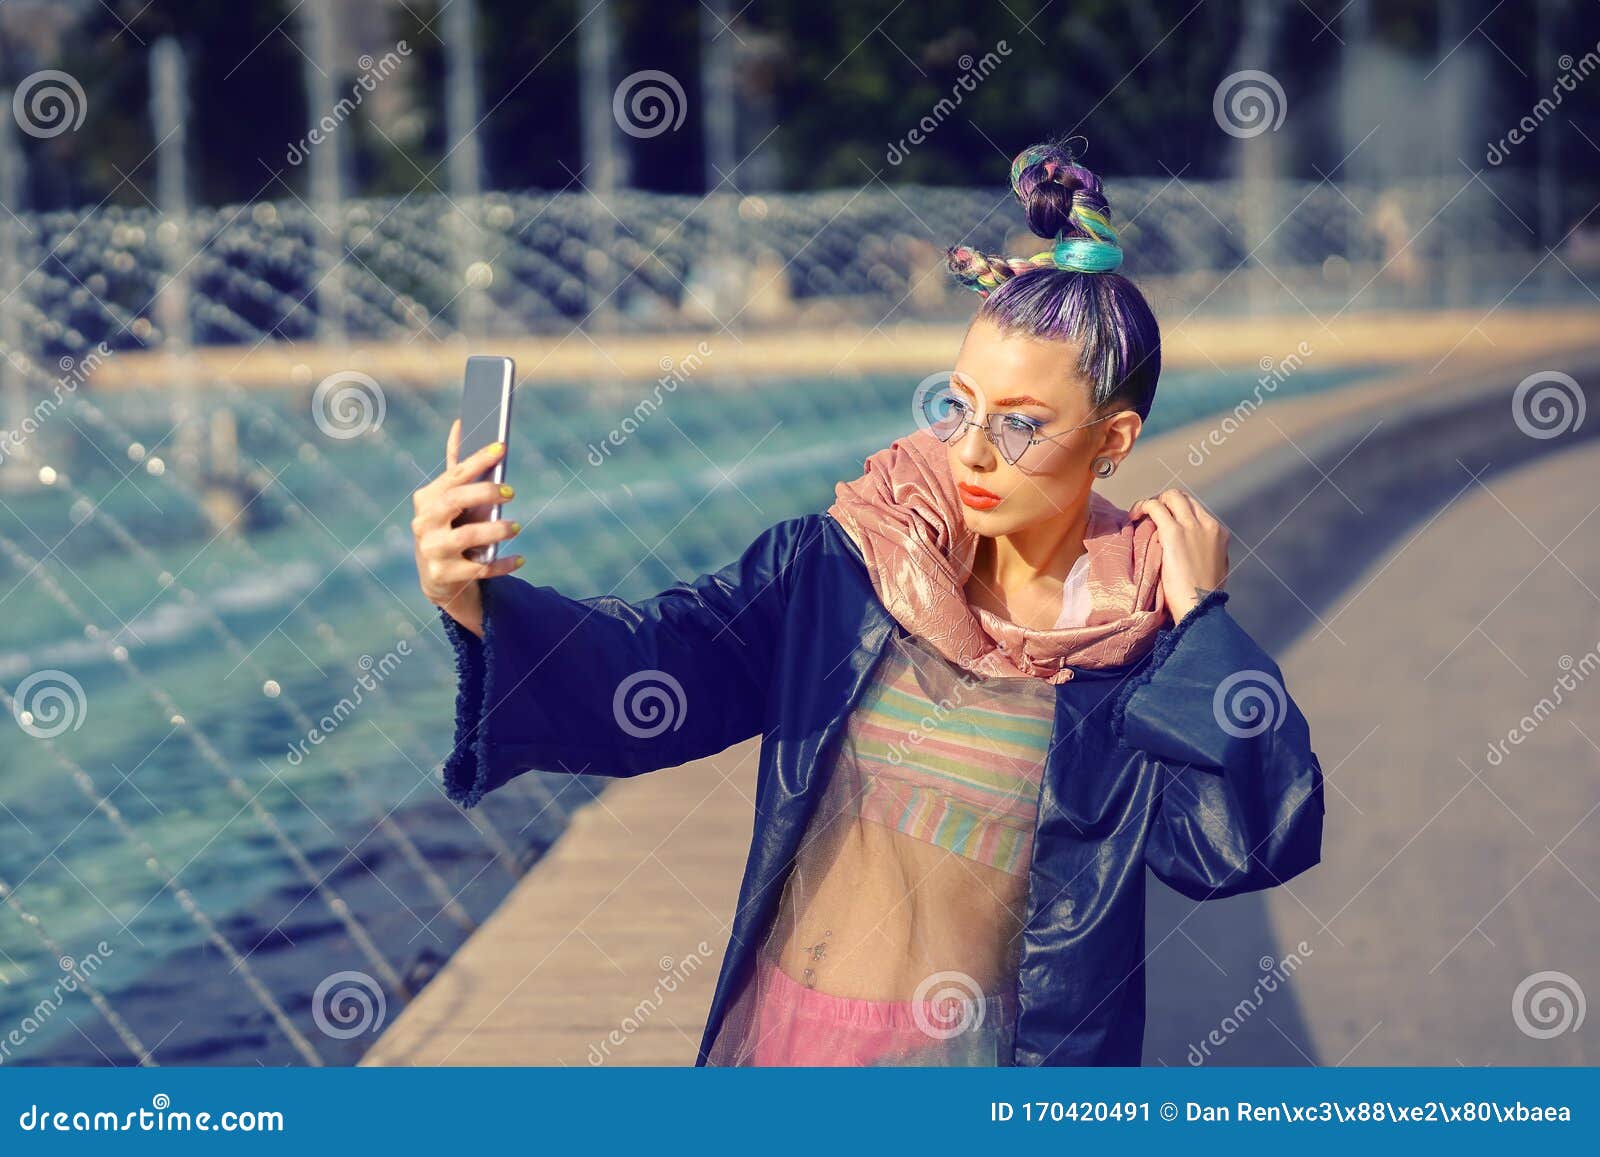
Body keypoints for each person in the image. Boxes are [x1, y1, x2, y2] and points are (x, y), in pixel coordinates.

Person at [410, 139, 1326, 1067]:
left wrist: (1204, 623)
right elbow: (658, 667)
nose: (970, 449)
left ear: (1112, 439)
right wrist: (478, 599)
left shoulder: (1133, 650)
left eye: (1019, 422)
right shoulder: (850, 568)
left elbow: (1243, 847)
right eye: (962, 404)